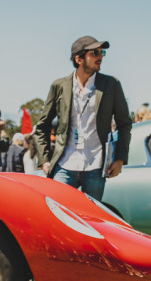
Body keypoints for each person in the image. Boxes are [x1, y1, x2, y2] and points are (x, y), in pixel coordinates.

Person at [31, 36, 131, 200]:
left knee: (91, 218)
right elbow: (42, 126)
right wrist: (44, 161)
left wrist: (120, 159)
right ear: (79, 59)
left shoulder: (111, 84)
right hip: (64, 164)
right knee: (59, 214)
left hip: (96, 165)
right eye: (95, 53)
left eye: (102, 52)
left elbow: (124, 124)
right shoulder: (60, 86)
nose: (100, 57)